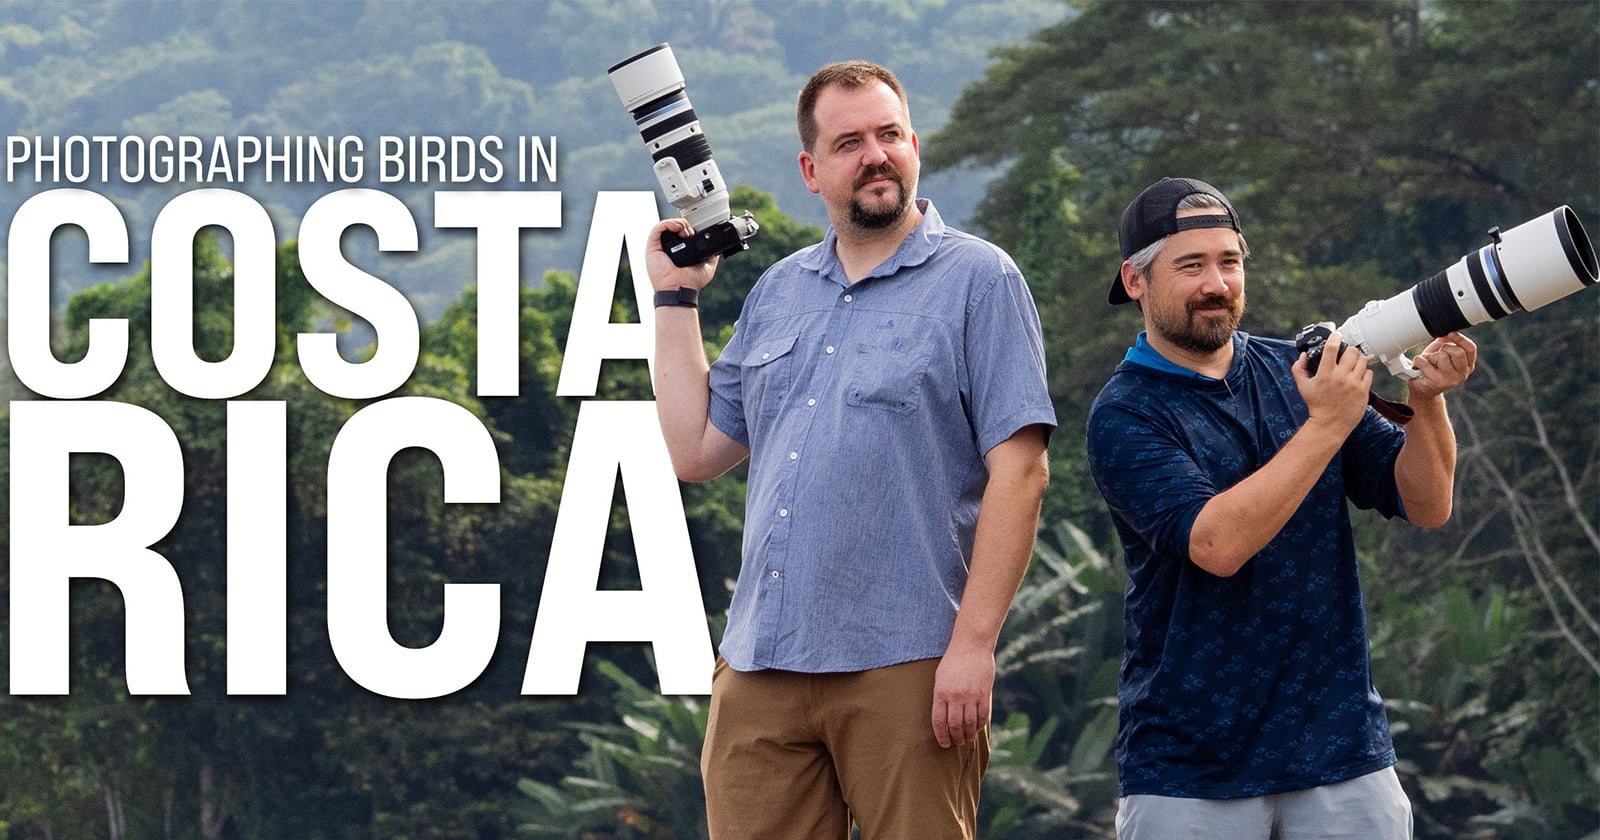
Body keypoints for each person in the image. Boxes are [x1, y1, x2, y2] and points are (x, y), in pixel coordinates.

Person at [645, 60, 1056, 839]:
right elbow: (693, 451)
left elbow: (1023, 471)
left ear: (914, 147)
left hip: (907, 660)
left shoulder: (980, 279)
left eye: (889, 135)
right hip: (762, 662)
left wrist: (973, 647)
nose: (876, 156)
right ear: (811, 170)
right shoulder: (778, 292)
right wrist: (676, 295)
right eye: (849, 143)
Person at [1086, 177, 1476, 839]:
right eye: (1190, 266)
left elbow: (1426, 502)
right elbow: (1217, 545)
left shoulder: (1298, 372)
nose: (1217, 284)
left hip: (1342, 749)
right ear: (1135, 280)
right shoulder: (1125, 413)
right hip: (1191, 770)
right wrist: (1325, 426)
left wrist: (1426, 400)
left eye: (1229, 262)